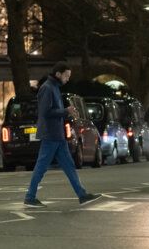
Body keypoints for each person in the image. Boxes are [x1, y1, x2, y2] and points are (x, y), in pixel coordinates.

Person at [24, 62, 100, 207]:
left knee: (69, 166)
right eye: (66, 76)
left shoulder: (53, 87)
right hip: (51, 134)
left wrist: (66, 112)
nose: (67, 79)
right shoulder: (47, 88)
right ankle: (30, 196)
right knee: (41, 166)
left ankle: (82, 195)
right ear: (58, 74)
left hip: (57, 134)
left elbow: (52, 111)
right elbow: (45, 112)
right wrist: (66, 111)